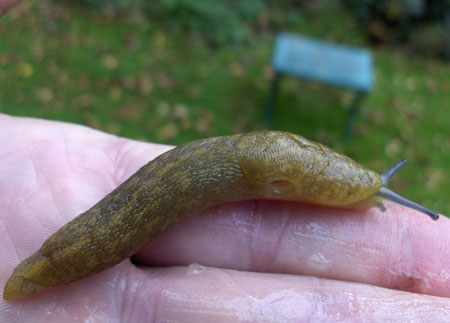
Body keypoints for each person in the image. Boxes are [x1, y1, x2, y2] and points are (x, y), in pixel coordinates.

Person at [1, 4, 450, 322]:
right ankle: (46, 269)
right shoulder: (251, 170)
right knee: (118, 220)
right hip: (73, 247)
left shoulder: (270, 165)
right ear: (280, 182)